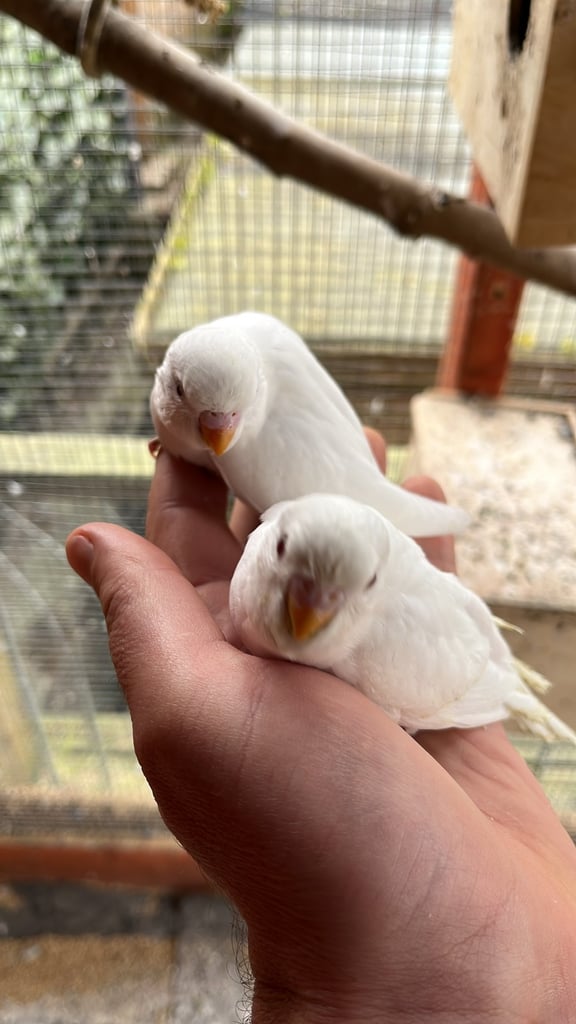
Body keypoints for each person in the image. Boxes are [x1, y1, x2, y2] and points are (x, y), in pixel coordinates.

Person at [66, 430, 576, 1023]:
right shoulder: (282, 519)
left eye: (344, 597)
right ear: (275, 534)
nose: (307, 612)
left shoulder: (388, 643)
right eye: (287, 562)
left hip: (451, 670)